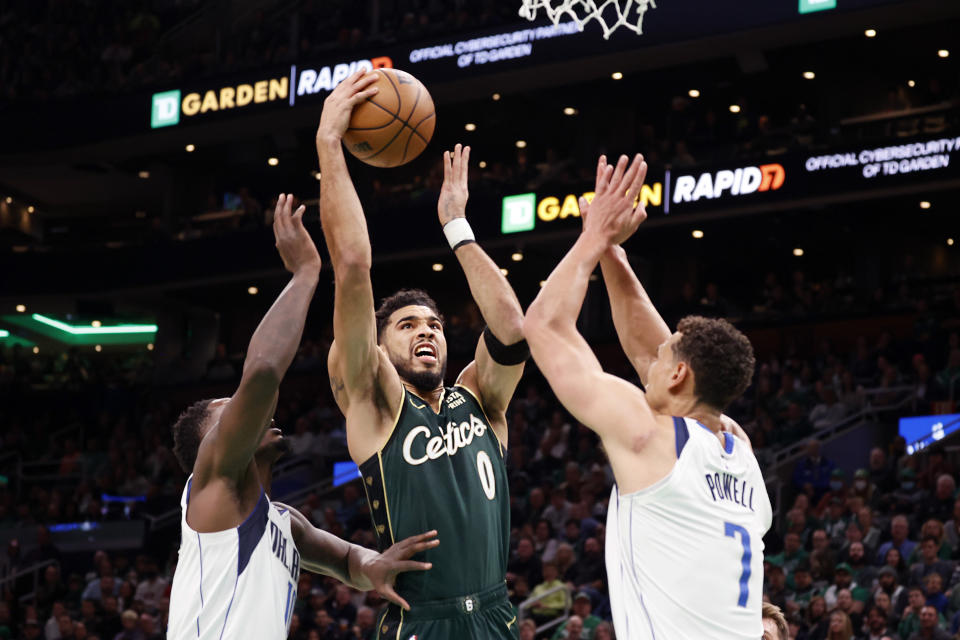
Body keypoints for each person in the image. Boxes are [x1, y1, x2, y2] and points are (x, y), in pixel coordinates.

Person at [166, 195, 437, 639]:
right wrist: (305, 274)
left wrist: (376, 566)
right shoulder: (212, 486)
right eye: (228, 413)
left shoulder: (285, 521)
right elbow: (262, 375)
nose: (243, 414)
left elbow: (348, 562)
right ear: (210, 448)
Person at [317, 72, 528, 639]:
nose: (425, 332)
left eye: (434, 324)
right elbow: (354, 267)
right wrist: (329, 147)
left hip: (496, 613)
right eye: (407, 326)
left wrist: (457, 227)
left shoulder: (480, 400)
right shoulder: (376, 402)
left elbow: (512, 329)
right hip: (422, 624)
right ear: (380, 346)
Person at [524, 153, 770, 639]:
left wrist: (592, 236)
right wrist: (614, 254)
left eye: (664, 361)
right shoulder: (738, 449)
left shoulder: (650, 437)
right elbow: (648, 351)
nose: (646, 365)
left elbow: (544, 326)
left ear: (678, 375)